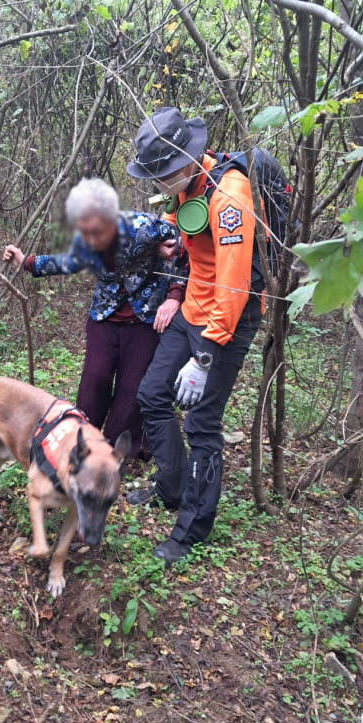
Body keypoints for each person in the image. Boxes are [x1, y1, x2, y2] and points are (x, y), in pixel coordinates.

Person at [126, 107, 265, 564]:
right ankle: (171, 485)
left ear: (189, 158)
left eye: (164, 172)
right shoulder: (186, 186)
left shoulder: (231, 195)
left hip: (228, 320)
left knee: (203, 423)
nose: (160, 182)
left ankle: (190, 530)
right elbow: (180, 229)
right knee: (151, 396)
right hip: (192, 309)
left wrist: (205, 357)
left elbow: (235, 284)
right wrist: (164, 240)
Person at [4, 177, 184, 459]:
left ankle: (108, 452)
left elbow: (183, 252)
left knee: (131, 389)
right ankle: (80, 441)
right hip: (105, 314)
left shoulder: (145, 226)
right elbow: (68, 260)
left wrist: (174, 295)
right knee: (95, 378)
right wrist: (27, 262)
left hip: (146, 318)